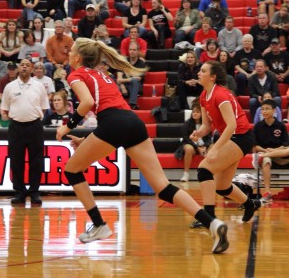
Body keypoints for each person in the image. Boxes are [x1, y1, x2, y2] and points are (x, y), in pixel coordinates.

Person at [55, 38, 229, 254]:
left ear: (78, 57)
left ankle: (99, 224)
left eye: (71, 50)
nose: (69, 53)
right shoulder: (103, 75)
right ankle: (212, 223)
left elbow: (88, 103)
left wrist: (67, 125)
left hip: (114, 123)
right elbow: (113, 117)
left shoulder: (76, 74)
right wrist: (87, 139)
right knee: (164, 187)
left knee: (72, 170)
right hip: (133, 122)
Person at [189, 60, 261, 229]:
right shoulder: (203, 96)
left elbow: (232, 126)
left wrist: (215, 148)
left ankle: (209, 217)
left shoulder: (220, 94)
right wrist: (199, 132)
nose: (199, 73)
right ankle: (250, 204)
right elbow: (207, 126)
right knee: (222, 187)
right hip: (232, 138)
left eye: (203, 71)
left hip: (241, 137)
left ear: (213, 77)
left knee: (204, 170)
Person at [0, 59, 50, 205]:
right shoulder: (10, 86)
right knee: (16, 161)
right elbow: (6, 108)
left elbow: (44, 107)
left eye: (27, 65)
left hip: (35, 126)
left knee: (36, 161)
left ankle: (34, 192)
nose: (24, 67)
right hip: (16, 127)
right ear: (18, 68)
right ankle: (20, 192)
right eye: (22, 65)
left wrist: (32, 116)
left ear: (32, 69)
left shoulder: (39, 86)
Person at [253, 99, 289, 202]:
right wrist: (265, 151)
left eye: (267, 109)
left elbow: (285, 144)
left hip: (279, 154)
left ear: (274, 111)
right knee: (266, 160)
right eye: (262, 109)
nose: (264, 111)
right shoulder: (257, 126)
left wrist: (274, 150)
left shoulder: (280, 126)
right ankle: (267, 192)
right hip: (265, 153)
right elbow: (254, 146)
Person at [178, 103, 212, 182]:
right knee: (189, 148)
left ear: (202, 114)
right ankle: (186, 174)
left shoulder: (206, 124)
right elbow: (186, 138)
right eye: (193, 112)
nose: (195, 113)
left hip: (203, 145)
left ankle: (209, 172)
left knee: (213, 147)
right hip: (191, 145)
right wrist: (197, 148)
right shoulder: (187, 123)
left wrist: (205, 147)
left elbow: (209, 138)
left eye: (197, 112)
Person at [116, 42, 145, 110]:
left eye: (134, 50)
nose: (132, 52)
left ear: (138, 51)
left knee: (135, 81)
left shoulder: (142, 64)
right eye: (130, 49)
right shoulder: (123, 62)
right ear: (128, 50)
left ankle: (132, 104)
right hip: (124, 87)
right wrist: (123, 87)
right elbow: (119, 79)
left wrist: (126, 80)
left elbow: (138, 79)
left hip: (137, 87)